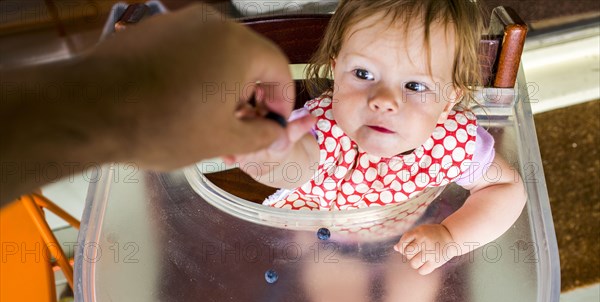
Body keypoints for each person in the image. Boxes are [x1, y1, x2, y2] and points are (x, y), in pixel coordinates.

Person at [228, 0, 527, 276]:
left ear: (448, 100)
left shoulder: (448, 139)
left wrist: (450, 238)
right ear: (336, 70)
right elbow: (295, 163)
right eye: (363, 73)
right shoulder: (324, 130)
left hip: (414, 233)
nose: (384, 100)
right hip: (327, 239)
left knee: (410, 299)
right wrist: (267, 156)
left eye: (414, 85)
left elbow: (506, 188)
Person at [0, 4, 315, 207]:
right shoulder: (324, 121)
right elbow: (302, 165)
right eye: (361, 74)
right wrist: (272, 157)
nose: (368, 99)